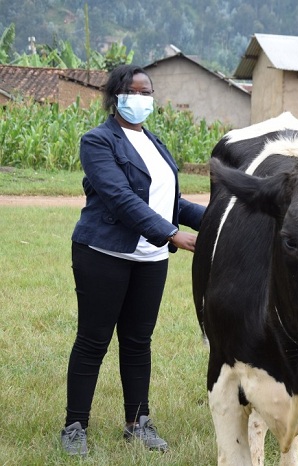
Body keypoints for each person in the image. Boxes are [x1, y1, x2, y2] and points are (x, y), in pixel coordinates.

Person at [60, 64, 206, 456]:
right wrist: (173, 234)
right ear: (115, 95)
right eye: (134, 91)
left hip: (151, 257)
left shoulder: (155, 143)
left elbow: (169, 201)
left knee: (139, 342)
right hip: (104, 253)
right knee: (93, 341)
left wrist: (217, 221)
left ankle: (137, 422)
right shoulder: (98, 141)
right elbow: (120, 198)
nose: (142, 98)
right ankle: (75, 425)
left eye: (147, 92)